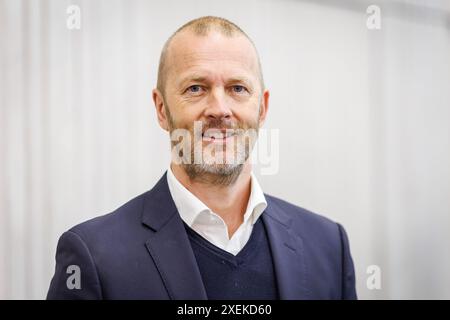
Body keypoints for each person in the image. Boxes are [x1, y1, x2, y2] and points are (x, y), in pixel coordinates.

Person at [47, 16, 357, 300]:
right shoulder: (94, 257)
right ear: (161, 108)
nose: (219, 109)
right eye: (196, 88)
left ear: (262, 108)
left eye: (238, 88)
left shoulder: (329, 247)